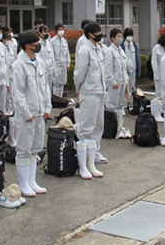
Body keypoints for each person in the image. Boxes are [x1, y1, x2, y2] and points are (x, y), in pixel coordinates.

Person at [10, 30, 51, 197]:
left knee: (35, 150)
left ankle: (32, 181)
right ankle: (23, 184)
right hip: (26, 116)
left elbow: (45, 87)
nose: (38, 44)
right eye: (35, 42)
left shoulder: (39, 62)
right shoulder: (18, 65)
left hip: (40, 113)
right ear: (27, 45)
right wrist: (26, 113)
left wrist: (47, 107)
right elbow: (18, 93)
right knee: (23, 150)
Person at [74, 21, 107, 179]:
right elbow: (79, 73)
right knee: (86, 127)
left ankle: (93, 156)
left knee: (98, 125)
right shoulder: (84, 50)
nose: (100, 35)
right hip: (89, 92)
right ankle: (83, 164)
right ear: (89, 35)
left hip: (100, 91)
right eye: (97, 33)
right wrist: (78, 88)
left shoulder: (99, 49)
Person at [104, 28, 129, 139]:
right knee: (112, 106)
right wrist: (112, 81)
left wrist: (126, 81)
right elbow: (108, 69)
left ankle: (120, 127)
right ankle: (111, 128)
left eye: (121, 36)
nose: (120, 38)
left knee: (120, 106)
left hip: (122, 83)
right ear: (113, 38)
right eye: (118, 36)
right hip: (114, 85)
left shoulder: (121, 50)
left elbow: (124, 68)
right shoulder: (109, 51)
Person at [50, 23, 71, 97]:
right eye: (60, 30)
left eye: (62, 29)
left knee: (62, 83)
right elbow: (51, 55)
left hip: (64, 65)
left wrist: (68, 64)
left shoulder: (64, 41)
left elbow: (67, 53)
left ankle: (61, 98)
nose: (62, 31)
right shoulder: (52, 41)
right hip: (56, 65)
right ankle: (56, 99)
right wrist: (54, 67)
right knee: (56, 83)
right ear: (56, 31)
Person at [37, 25, 55, 100]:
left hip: (49, 71)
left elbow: (52, 57)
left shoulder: (49, 44)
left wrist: (54, 69)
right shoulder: (38, 44)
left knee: (49, 90)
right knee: (42, 90)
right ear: (40, 33)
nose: (47, 33)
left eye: (47, 31)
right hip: (42, 72)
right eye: (45, 32)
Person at [122, 27, 141, 93]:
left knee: (132, 87)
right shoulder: (122, 45)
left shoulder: (134, 45)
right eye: (128, 35)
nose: (129, 37)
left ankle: (132, 102)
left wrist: (138, 70)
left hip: (133, 70)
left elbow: (137, 58)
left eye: (131, 35)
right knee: (125, 88)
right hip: (126, 70)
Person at [152, 34, 165, 99]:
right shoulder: (156, 48)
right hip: (159, 73)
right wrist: (156, 74)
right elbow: (154, 62)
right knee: (159, 93)